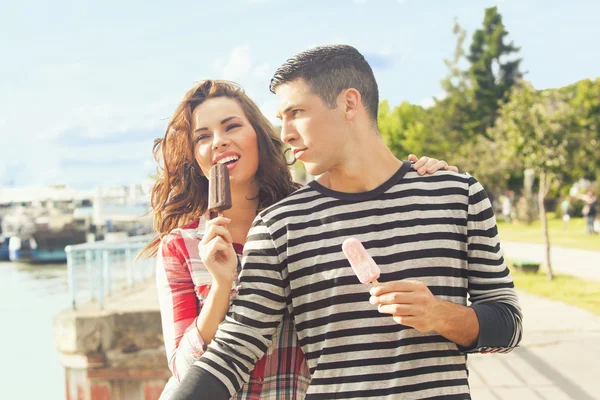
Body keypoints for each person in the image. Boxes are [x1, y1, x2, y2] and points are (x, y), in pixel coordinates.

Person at [172, 45, 523, 400]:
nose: (286, 134)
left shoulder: (457, 195)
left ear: (349, 103)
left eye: (296, 113)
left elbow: (509, 325)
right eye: (281, 119)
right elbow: (232, 352)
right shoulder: (280, 225)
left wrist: (440, 315)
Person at [139, 79, 456, 399]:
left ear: (259, 137)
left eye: (231, 126)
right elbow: (183, 368)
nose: (218, 142)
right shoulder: (180, 246)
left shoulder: (317, 214)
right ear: (195, 157)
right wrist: (221, 287)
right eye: (203, 137)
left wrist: (418, 184)